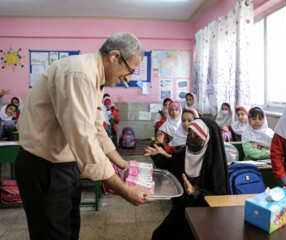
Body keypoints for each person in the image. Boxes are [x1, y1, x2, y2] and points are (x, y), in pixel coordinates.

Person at [15, 32, 154, 240]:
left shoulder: (94, 78)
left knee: (70, 230)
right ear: (115, 57)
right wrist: (124, 190)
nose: (128, 79)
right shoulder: (79, 74)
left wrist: (122, 164)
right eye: (129, 70)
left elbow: (97, 127)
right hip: (44, 167)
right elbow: (84, 138)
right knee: (53, 234)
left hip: (66, 164)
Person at [145, 118, 230, 240]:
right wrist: (158, 147)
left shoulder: (215, 163)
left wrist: (196, 192)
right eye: (190, 134)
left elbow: (219, 197)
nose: (192, 138)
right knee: (161, 234)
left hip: (205, 211)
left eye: (197, 135)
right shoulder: (186, 153)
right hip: (184, 206)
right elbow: (169, 163)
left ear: (207, 139)